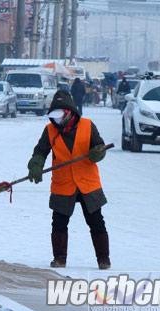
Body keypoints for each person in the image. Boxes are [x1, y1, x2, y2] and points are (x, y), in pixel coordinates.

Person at [27, 90, 111, 270]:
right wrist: (36, 164)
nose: (56, 121)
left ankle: (103, 259)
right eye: (53, 117)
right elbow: (40, 151)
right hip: (63, 184)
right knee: (59, 222)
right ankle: (59, 259)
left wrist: (98, 152)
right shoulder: (50, 130)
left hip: (88, 183)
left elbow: (99, 147)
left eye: (59, 116)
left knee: (96, 221)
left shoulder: (88, 126)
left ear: (69, 112)